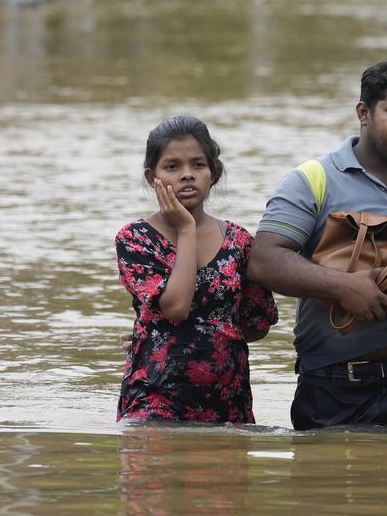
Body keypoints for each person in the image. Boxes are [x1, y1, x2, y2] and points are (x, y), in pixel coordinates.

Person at [248, 56, 387, 432]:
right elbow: (264, 260)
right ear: (364, 112)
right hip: (331, 387)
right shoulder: (313, 179)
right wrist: (343, 286)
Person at [115, 116, 278, 424]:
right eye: (172, 167)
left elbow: (257, 324)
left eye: (198, 165)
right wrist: (187, 230)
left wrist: (207, 333)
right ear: (153, 177)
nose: (187, 175)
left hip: (228, 402)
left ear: (213, 173)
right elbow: (175, 309)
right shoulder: (136, 239)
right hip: (155, 398)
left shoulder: (239, 241)